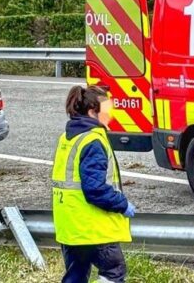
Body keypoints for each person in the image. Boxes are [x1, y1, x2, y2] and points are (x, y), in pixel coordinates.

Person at [52, 85, 136, 283]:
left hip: (70, 228)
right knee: (113, 271)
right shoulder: (93, 141)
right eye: (107, 112)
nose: (110, 117)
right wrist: (122, 204)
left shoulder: (68, 138)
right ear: (92, 112)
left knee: (76, 276)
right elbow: (95, 189)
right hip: (94, 228)